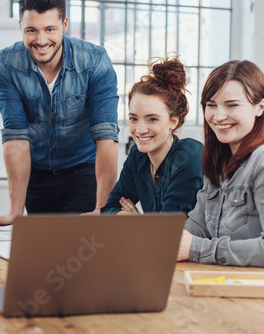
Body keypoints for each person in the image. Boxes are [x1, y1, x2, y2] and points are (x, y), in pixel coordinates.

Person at [0, 0, 119, 225]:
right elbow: (16, 136)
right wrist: (15, 211)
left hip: (83, 169)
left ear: (64, 24)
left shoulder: (94, 61)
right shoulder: (7, 63)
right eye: (31, 30)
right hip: (37, 171)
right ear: (20, 27)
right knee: (45, 248)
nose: (41, 40)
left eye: (49, 29)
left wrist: (102, 209)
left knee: (82, 242)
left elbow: (106, 136)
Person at [177, 60, 264, 267]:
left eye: (232, 105)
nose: (219, 116)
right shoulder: (219, 160)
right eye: (211, 105)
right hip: (224, 282)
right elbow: (198, 224)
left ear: (260, 107)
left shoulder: (261, 160)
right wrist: (168, 242)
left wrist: (196, 249)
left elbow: (195, 244)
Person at [101, 54, 203, 214]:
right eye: (134, 118)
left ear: (173, 122)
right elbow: (109, 209)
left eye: (152, 119)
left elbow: (168, 228)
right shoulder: (138, 156)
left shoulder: (190, 154)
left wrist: (139, 223)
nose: (140, 130)